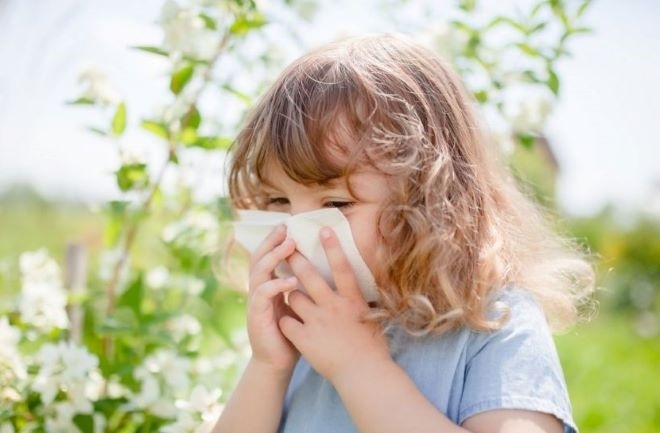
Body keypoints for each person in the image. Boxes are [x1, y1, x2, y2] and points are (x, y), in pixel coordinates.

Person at [211, 33, 594, 433]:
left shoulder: (494, 320)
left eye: (336, 204)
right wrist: (268, 367)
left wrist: (360, 367)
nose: (294, 234)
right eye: (277, 202)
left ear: (431, 199)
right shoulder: (306, 328)